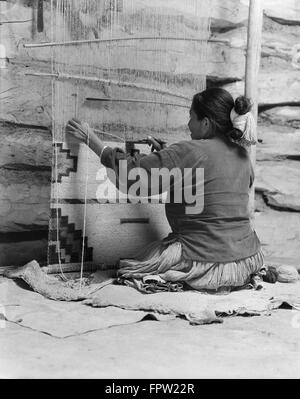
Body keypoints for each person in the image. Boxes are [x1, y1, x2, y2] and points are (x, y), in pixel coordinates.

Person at [66, 87, 263, 292]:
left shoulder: (188, 151)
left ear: (205, 123)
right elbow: (211, 184)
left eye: (191, 117)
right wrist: (166, 155)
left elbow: (133, 175)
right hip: (244, 258)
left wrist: (92, 140)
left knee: (131, 268)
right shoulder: (242, 156)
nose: (188, 124)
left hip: (204, 258)